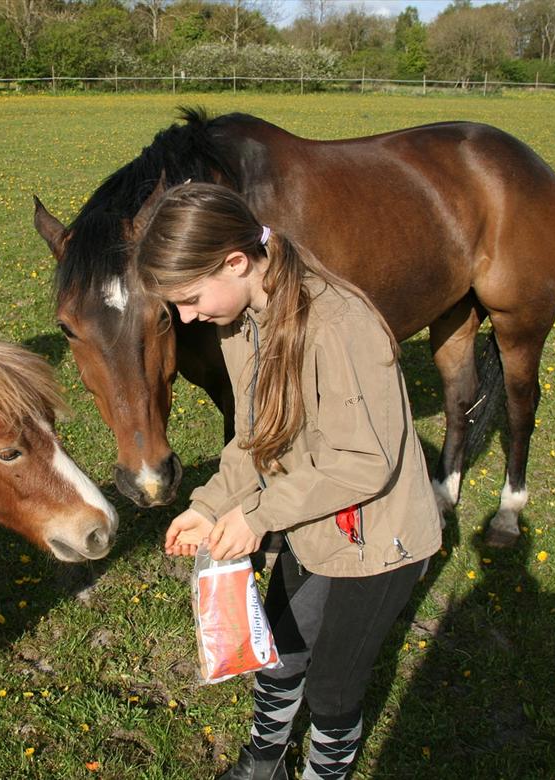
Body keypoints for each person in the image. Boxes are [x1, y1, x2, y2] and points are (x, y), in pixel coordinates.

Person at [136, 183, 442, 780]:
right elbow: (254, 436)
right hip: (310, 521)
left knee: (332, 689)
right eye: (178, 307)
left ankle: (324, 770)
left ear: (236, 262)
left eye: (192, 299)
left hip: (377, 540)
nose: (189, 317)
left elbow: (364, 462)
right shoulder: (241, 321)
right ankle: (264, 763)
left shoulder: (337, 324)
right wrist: (210, 505)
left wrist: (257, 517)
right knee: (277, 653)